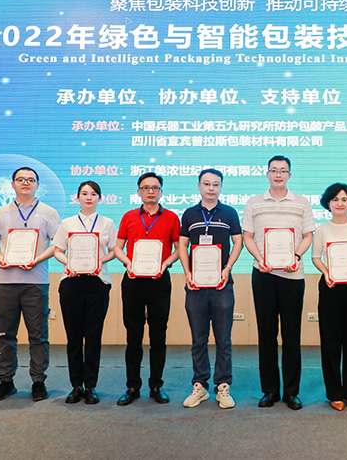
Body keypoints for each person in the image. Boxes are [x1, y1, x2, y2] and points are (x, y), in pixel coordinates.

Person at [242, 155, 315, 410]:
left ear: (289, 175)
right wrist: (260, 258)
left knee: (292, 334)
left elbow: (308, 236)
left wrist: (296, 256)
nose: (278, 174)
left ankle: (291, 392)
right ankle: (270, 390)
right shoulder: (254, 202)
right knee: (267, 334)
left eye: (283, 171)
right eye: (274, 170)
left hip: (293, 276)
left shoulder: (302, 202)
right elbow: (248, 236)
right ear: (267, 174)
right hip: (263, 274)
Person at [0, 166, 60, 402]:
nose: (25, 183)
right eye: (20, 179)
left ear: (38, 185)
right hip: (5, 283)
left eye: (30, 180)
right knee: (5, 335)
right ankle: (6, 382)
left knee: (38, 336)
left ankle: (38, 382)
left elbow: (58, 245)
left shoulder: (49, 213)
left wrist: (37, 259)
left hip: (36, 282)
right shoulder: (0, 213)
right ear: (13, 184)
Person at [178, 169, 243, 409]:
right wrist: (187, 272)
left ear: (221, 187)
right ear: (199, 186)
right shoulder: (189, 213)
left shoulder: (229, 212)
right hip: (195, 285)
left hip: (222, 285)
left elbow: (238, 242)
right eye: (207, 184)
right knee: (198, 339)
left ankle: (223, 386)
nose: (211, 188)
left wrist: (228, 267)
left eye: (216, 184)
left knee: (223, 339)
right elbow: (182, 244)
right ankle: (200, 386)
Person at [113, 172, 180, 406]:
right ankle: (132, 386)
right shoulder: (129, 216)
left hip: (159, 280)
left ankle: (156, 385)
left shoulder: (172, 217)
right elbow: (118, 247)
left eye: (155, 187)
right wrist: (128, 262)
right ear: (138, 191)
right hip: (133, 280)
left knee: (158, 335)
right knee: (133, 335)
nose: (150, 191)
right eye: (146, 187)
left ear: (161, 191)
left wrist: (165, 264)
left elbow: (179, 249)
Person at [52, 181, 117, 405]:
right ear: (77, 197)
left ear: (100, 198)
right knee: (73, 337)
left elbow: (114, 251)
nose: (89, 197)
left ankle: (91, 386)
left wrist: (100, 261)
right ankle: (76, 385)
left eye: (94, 194)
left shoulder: (107, 223)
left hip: (98, 281)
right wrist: (68, 263)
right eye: (85, 193)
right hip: (71, 282)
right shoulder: (67, 223)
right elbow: (58, 250)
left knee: (93, 336)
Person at [311, 183, 347, 411]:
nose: (340, 203)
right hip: (331, 286)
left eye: (344, 199)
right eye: (335, 199)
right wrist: (327, 272)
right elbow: (316, 257)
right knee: (331, 341)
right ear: (328, 203)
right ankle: (334, 393)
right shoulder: (322, 229)